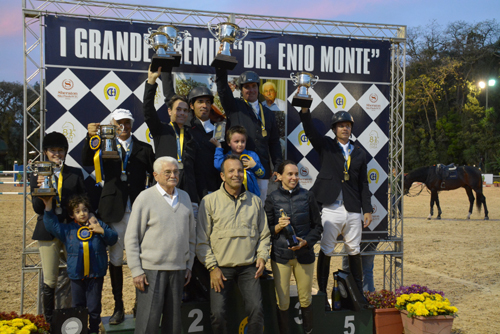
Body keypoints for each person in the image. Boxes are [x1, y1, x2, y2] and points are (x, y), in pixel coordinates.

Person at [81, 109, 155, 324]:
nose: (124, 126)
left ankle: (141, 303)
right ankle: (118, 306)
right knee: (115, 260)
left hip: (140, 211)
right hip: (113, 211)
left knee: (142, 259)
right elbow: (86, 159)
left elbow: (155, 174)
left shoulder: (144, 148)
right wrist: (90, 137)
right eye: (119, 123)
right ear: (112, 124)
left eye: (127, 122)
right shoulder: (103, 146)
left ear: (132, 124)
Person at [299, 107, 372, 311]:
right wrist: (304, 111)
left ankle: (358, 295)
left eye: (348, 126)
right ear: (334, 129)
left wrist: (367, 209)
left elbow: (363, 184)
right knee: (326, 249)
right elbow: (311, 131)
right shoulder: (327, 146)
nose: (345, 129)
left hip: (352, 209)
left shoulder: (359, 153)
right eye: (341, 126)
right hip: (330, 208)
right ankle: (322, 294)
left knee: (354, 250)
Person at [196, 155, 271, 334]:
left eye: (239, 170)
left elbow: (265, 235)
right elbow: (201, 241)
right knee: (218, 314)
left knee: (256, 311)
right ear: (222, 176)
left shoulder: (255, 201)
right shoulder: (209, 202)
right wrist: (212, 267)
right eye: (231, 171)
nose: (236, 174)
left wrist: (261, 256)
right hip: (220, 269)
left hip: (249, 268)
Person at [124, 157, 196, 334]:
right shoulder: (145, 198)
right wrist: (136, 270)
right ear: (156, 175)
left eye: (176, 172)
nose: (173, 175)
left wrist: (188, 265)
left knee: (173, 325)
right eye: (168, 172)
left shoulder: (185, 197)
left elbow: (191, 237)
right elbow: (132, 237)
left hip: (178, 269)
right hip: (151, 271)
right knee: (148, 323)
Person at [30, 132, 86, 324]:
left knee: (77, 274)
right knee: (50, 279)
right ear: (45, 152)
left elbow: (83, 202)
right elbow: (37, 209)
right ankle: (47, 321)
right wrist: (43, 196)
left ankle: (77, 318)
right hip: (47, 230)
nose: (56, 154)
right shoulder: (37, 174)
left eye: (60, 150)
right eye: (52, 150)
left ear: (65, 152)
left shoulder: (75, 174)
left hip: (71, 230)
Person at [42, 194, 118, 334]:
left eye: (84, 210)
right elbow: (52, 225)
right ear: (72, 215)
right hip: (77, 276)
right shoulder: (67, 230)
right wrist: (48, 207)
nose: (82, 214)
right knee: (78, 306)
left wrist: (101, 231)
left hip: (95, 275)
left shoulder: (98, 224)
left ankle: (94, 330)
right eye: (77, 211)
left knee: (94, 307)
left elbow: (113, 238)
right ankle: (80, 331)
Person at [264, 160, 322, 334]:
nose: (294, 177)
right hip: (281, 258)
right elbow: (265, 230)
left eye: (296, 174)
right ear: (279, 176)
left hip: (304, 256)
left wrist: (306, 242)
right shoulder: (272, 199)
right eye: (289, 174)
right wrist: (277, 227)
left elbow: (318, 227)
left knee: (305, 300)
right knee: (283, 302)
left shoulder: (308, 196)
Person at [216, 67, 283, 202]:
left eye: (254, 86)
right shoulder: (234, 107)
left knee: (259, 207)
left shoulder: (268, 114)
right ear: (241, 90)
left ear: (258, 88)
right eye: (247, 87)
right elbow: (223, 90)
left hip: (261, 169)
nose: (251, 90)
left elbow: (274, 142)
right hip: (238, 170)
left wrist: (277, 166)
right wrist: (221, 66)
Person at [186, 83, 223, 195]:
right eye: (200, 102)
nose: (204, 106)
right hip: (192, 189)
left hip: (214, 188)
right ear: (192, 106)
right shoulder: (187, 128)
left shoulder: (219, 129)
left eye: (207, 102)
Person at [212, 126, 265, 197]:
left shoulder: (252, 155)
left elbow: (262, 174)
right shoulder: (227, 157)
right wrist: (219, 147)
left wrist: (254, 166)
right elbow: (218, 166)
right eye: (236, 142)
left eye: (243, 141)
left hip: (251, 195)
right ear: (229, 143)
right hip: (231, 195)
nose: (240, 144)